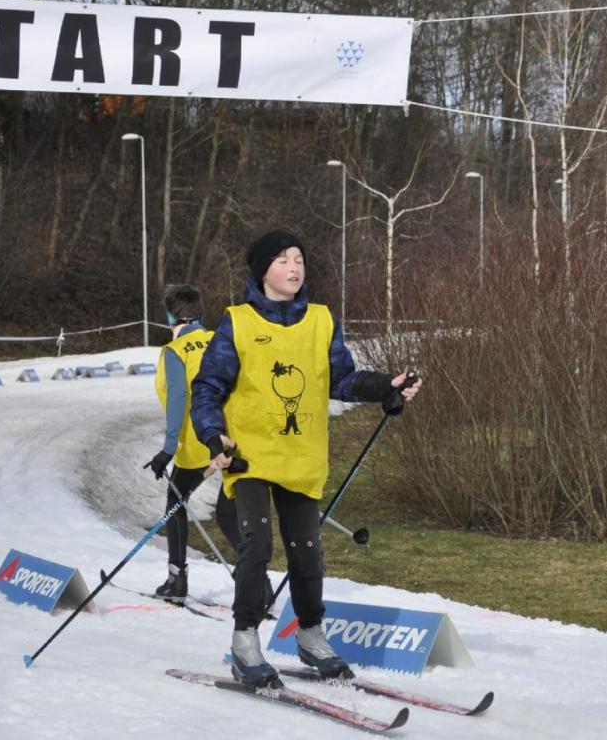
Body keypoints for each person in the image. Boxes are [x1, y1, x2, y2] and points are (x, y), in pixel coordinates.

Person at [191, 228, 422, 688]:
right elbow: (208, 388)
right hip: (250, 459)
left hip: (302, 458)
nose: (294, 267)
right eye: (282, 260)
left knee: (308, 552)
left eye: (299, 258)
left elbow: (342, 379)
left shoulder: (320, 319)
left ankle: (311, 635)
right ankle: (244, 640)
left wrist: (385, 388)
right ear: (262, 271)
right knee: (257, 544)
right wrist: (214, 437)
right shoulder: (236, 322)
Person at [142, 284, 241, 599]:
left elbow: (177, 399)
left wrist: (168, 449)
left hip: (197, 444)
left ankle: (177, 579)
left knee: (175, 504)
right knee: (228, 513)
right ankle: (257, 582)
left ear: (171, 315)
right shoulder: (220, 341)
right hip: (232, 438)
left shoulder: (173, 351)